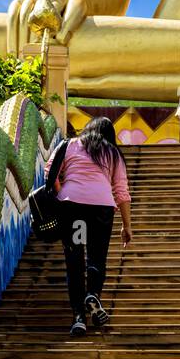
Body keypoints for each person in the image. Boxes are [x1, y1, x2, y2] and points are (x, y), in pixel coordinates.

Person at [47, 116, 133, 336]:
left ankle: (78, 319)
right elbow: (121, 192)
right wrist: (127, 225)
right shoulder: (113, 153)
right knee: (96, 257)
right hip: (100, 210)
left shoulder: (70, 144)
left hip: (73, 208)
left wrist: (61, 193)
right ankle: (92, 293)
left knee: (75, 261)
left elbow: (50, 173)